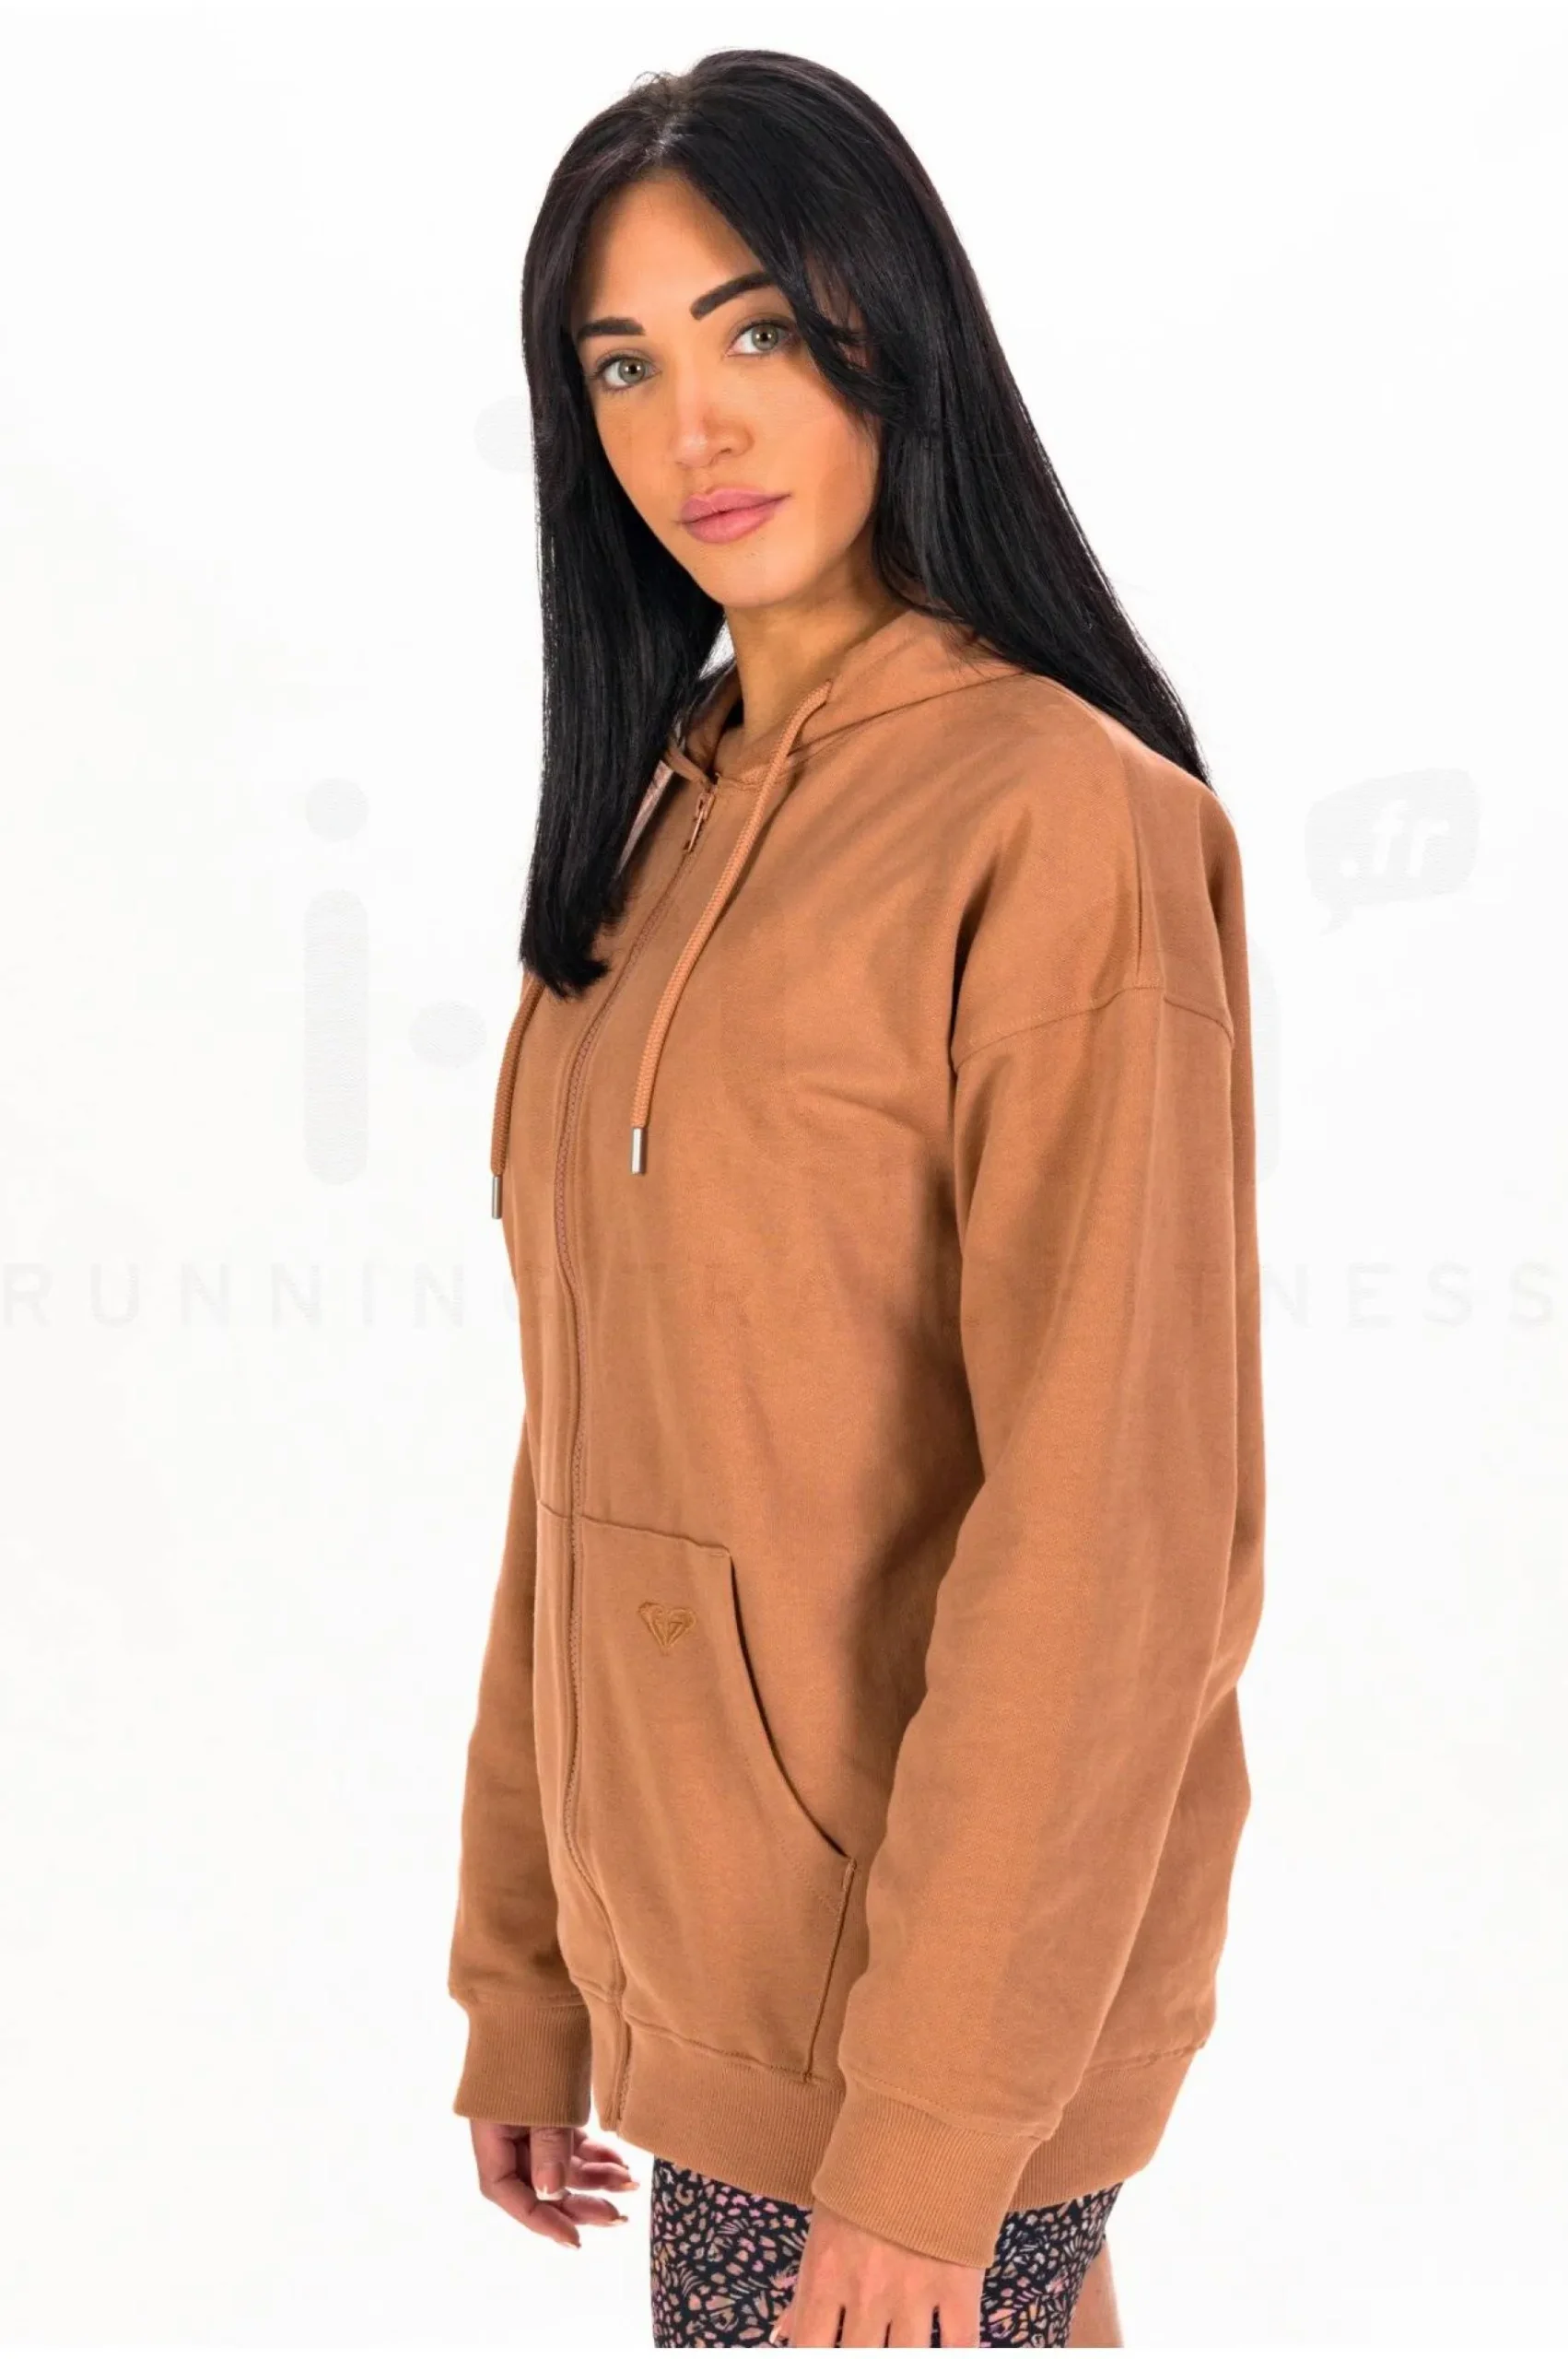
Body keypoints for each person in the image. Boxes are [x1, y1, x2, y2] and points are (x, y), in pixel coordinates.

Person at [447, 47, 1264, 2352]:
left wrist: (930, 2125)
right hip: (717, 1993)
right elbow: (592, 1441)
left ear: (887, 330)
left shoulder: (1057, 815)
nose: (691, 424)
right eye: (621, 362)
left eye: (755, 331)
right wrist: (529, 1966)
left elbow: (1107, 1530)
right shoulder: (661, 822)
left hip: (909, 2019)